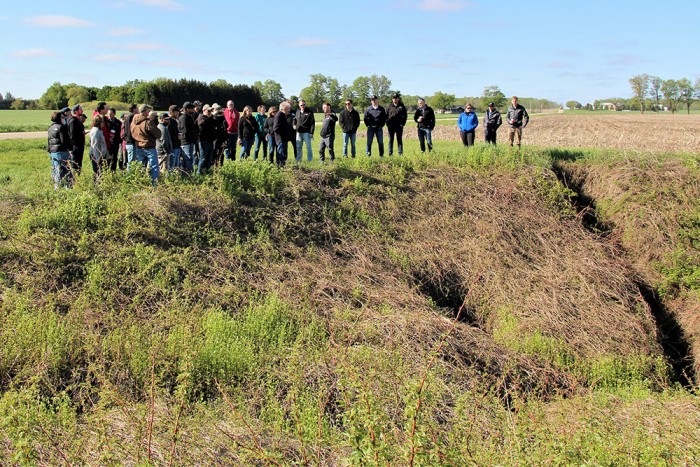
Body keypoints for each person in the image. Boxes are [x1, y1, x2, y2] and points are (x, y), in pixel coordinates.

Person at [130, 104, 161, 182]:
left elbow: (132, 133)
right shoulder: (147, 122)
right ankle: (154, 184)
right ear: (144, 111)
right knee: (154, 167)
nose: (148, 112)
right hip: (149, 146)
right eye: (148, 111)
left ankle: (140, 182)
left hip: (138, 146)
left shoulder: (133, 122)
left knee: (140, 167)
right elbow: (158, 134)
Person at [47, 110, 73, 188]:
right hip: (62, 151)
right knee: (66, 171)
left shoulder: (50, 127)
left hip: (53, 151)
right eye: (62, 117)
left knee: (56, 170)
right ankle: (67, 187)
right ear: (59, 118)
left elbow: (49, 141)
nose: (64, 119)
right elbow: (64, 141)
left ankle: (57, 187)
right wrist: (70, 149)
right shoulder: (61, 127)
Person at [179, 101, 198, 173]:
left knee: (187, 159)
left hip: (190, 142)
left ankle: (185, 173)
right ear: (186, 109)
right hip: (185, 142)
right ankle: (190, 173)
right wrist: (190, 139)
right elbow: (185, 131)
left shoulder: (189, 117)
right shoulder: (183, 118)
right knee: (188, 159)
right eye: (191, 108)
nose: (193, 110)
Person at [197, 104, 216, 173]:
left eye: (211, 111)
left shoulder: (210, 118)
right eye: (208, 111)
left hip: (210, 140)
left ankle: (206, 172)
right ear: (204, 110)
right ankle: (199, 173)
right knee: (203, 158)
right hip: (203, 141)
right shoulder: (201, 117)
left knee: (209, 158)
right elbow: (202, 123)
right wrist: (210, 117)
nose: (210, 112)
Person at [66, 104, 85, 174]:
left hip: (79, 145)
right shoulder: (73, 121)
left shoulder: (77, 120)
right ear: (76, 111)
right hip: (76, 146)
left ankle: (78, 178)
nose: (82, 111)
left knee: (79, 164)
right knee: (75, 164)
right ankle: (74, 179)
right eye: (80, 109)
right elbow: (72, 135)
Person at [273, 101, 292, 167]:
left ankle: (282, 166)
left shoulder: (282, 115)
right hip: (280, 139)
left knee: (284, 154)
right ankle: (280, 167)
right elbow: (276, 128)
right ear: (283, 109)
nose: (288, 111)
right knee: (281, 155)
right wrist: (283, 133)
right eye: (287, 110)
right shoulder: (279, 115)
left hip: (284, 138)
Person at [167, 105, 181, 171]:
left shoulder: (175, 121)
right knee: (172, 164)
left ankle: (176, 177)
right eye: (175, 111)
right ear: (171, 113)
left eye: (178, 111)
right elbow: (169, 135)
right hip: (173, 145)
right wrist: (177, 137)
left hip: (177, 145)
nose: (177, 113)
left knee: (177, 164)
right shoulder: (169, 122)